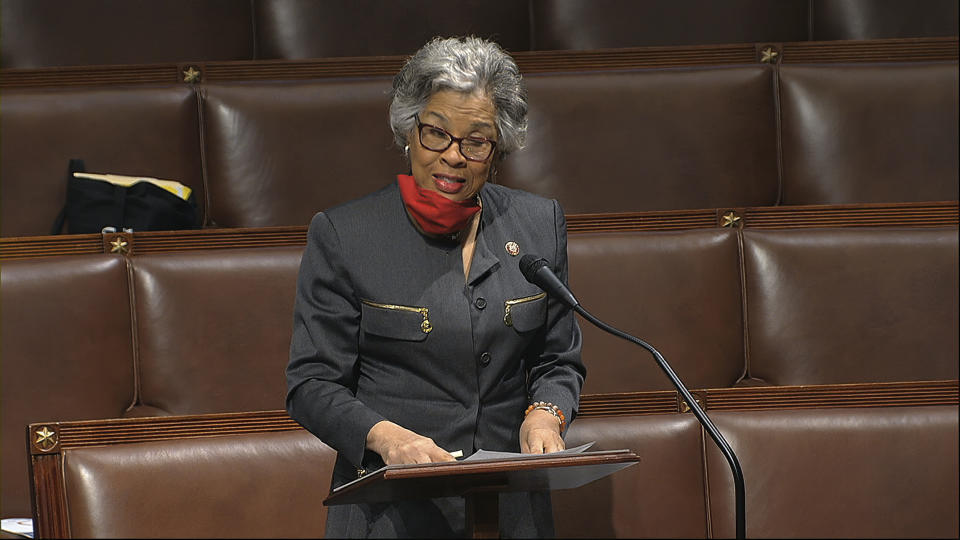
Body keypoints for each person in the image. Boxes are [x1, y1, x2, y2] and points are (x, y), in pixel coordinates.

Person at [286, 35, 585, 538]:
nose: (453, 156)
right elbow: (311, 384)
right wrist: (385, 438)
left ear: (497, 149)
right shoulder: (345, 235)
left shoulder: (538, 224)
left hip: (511, 510)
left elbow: (558, 360)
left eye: (476, 140)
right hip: (391, 511)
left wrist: (546, 416)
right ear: (409, 131)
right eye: (436, 134)